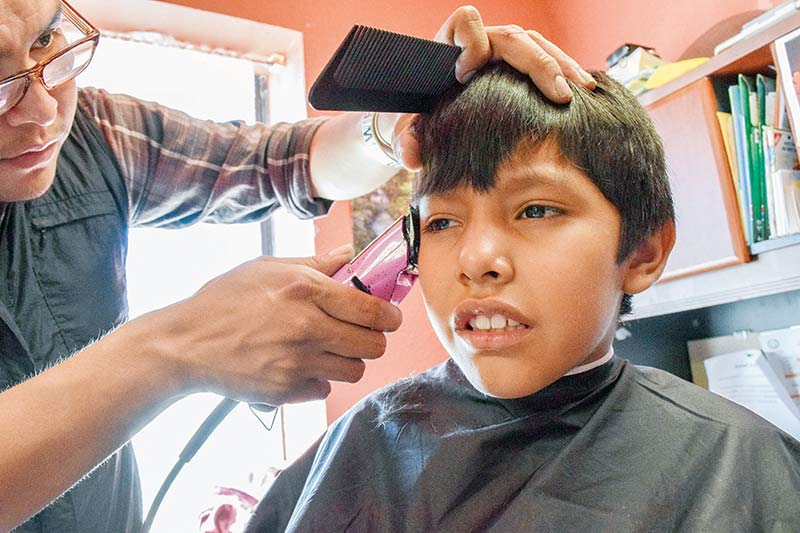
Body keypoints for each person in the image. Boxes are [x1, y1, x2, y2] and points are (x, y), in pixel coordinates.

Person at [0, 0, 598, 530]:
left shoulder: (95, 135)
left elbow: (279, 163)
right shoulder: (367, 449)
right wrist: (173, 348)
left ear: (644, 252)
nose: (41, 113)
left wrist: (391, 126)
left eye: (49, 41)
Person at [245, 64, 800, 532]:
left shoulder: (738, 464)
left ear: (643, 253)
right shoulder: (364, 443)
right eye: (441, 221)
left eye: (536, 210)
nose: (477, 259)